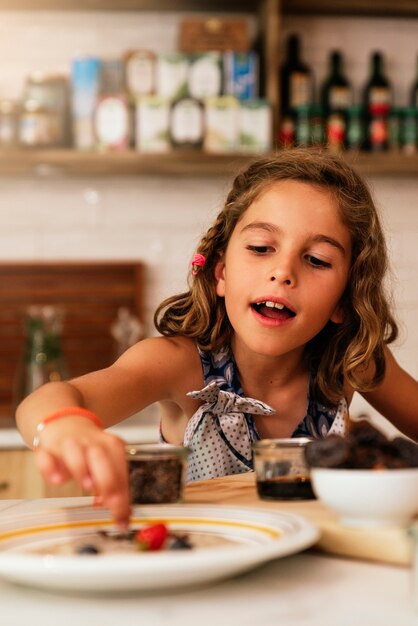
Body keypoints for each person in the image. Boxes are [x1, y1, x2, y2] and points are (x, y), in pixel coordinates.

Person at [16, 149, 418, 527]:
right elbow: (47, 401)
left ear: (345, 299)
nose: (283, 272)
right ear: (220, 272)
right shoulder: (176, 363)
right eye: (261, 248)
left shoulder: (352, 362)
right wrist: (66, 428)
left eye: (317, 260)